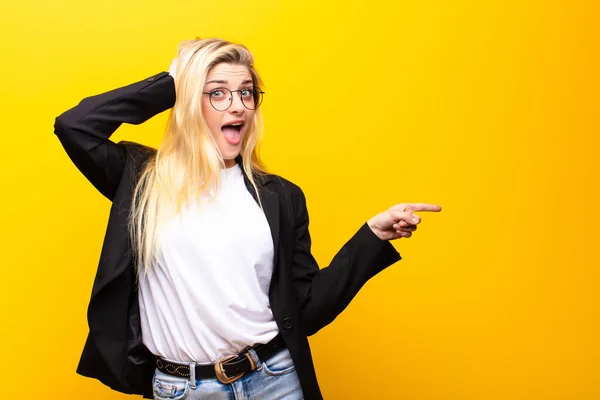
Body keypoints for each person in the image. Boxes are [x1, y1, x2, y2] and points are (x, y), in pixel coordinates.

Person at [54, 38, 441, 400]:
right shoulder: (141, 179)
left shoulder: (280, 197)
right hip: (184, 390)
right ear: (189, 101)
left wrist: (371, 237)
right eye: (217, 92)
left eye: (246, 92)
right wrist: (171, 83)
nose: (237, 105)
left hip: (275, 379)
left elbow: (304, 310)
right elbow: (75, 126)